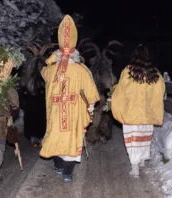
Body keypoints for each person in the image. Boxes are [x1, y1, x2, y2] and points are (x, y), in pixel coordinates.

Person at [39, 15, 100, 183]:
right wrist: (90, 108)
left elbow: (43, 72)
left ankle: (58, 167)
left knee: (56, 138)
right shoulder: (82, 70)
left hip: (57, 112)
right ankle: (67, 173)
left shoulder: (51, 70)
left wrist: (54, 58)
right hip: (73, 114)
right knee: (71, 140)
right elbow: (92, 96)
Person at [111, 44, 165, 177]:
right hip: (147, 114)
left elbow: (121, 90)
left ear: (134, 56)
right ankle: (142, 160)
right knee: (144, 138)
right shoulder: (154, 73)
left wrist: (115, 99)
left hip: (132, 113)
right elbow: (161, 90)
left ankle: (135, 167)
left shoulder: (128, 71)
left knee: (133, 140)